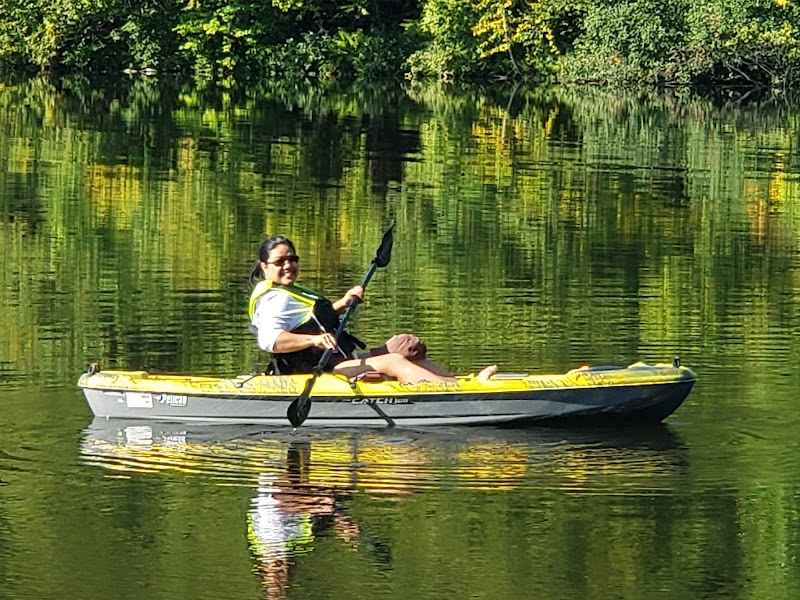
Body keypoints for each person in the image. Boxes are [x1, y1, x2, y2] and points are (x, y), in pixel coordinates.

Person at [248, 235, 497, 383]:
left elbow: (312, 318)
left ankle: (455, 383)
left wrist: (343, 302)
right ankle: (455, 392)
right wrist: (314, 340)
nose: (288, 265)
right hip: (319, 370)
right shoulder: (274, 299)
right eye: (280, 261)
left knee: (407, 347)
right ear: (265, 267)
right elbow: (271, 341)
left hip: (339, 359)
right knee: (394, 360)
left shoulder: (291, 292)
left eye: (293, 259)